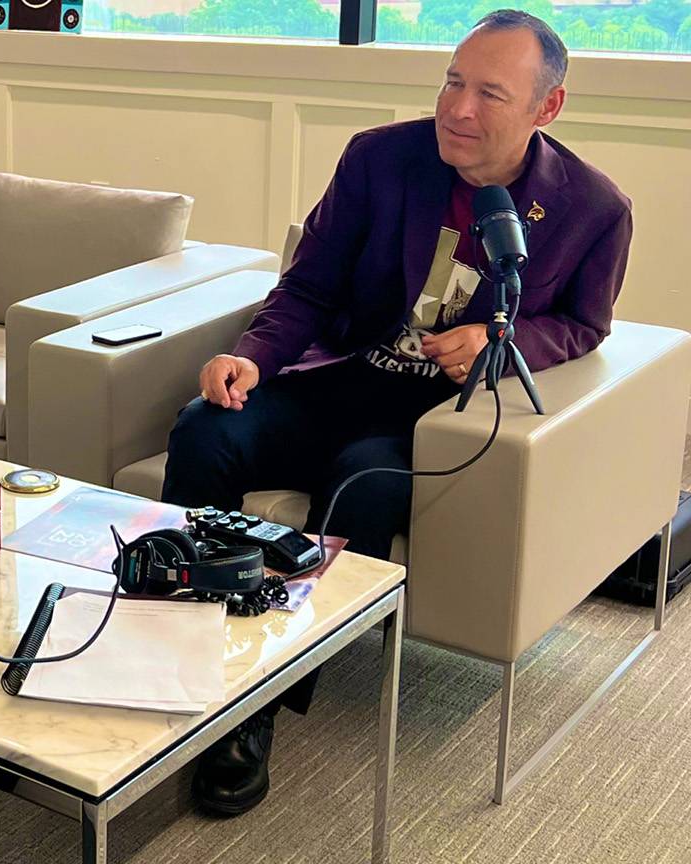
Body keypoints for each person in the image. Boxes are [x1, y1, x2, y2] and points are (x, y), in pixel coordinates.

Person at [163, 10, 631, 817]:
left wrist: (498, 338)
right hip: (336, 383)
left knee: (360, 482)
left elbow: (586, 326)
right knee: (204, 429)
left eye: (490, 93)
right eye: (453, 81)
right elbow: (308, 287)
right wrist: (254, 356)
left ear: (546, 109)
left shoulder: (593, 209)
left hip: (432, 419)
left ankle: (257, 706)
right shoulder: (380, 158)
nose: (458, 108)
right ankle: (173, 639)